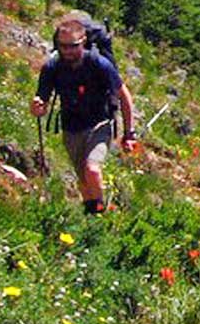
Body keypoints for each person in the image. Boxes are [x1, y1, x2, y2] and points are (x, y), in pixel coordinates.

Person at [31, 11, 136, 214]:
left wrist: (129, 133)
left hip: (100, 124)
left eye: (73, 46)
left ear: (83, 41)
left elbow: (124, 96)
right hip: (71, 129)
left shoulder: (99, 64)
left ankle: (100, 214)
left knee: (92, 170)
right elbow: (41, 101)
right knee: (84, 181)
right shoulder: (52, 67)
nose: (68, 51)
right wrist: (37, 107)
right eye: (63, 46)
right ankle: (92, 218)